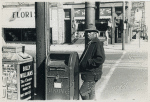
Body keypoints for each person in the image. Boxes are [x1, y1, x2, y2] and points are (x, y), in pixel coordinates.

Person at [79, 28, 105, 100]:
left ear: (95, 34)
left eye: (90, 32)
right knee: (91, 93)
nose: (88, 34)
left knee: (83, 91)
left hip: (92, 73)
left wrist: (89, 62)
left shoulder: (97, 43)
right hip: (89, 73)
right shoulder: (91, 43)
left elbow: (100, 59)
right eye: (87, 32)